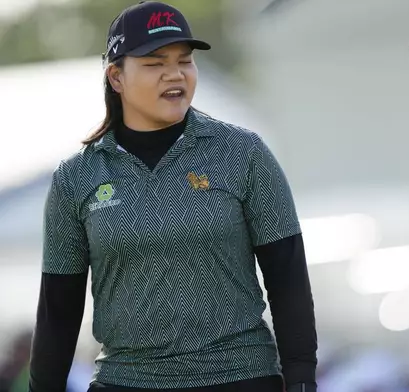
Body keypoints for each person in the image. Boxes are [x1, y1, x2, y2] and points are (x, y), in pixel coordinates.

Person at [29, 2, 318, 391]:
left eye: (185, 61)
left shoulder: (243, 153)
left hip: (240, 376)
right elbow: (58, 310)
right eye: (154, 63)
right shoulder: (75, 177)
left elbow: (288, 278)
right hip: (127, 380)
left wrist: (301, 377)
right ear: (116, 77)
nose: (175, 74)